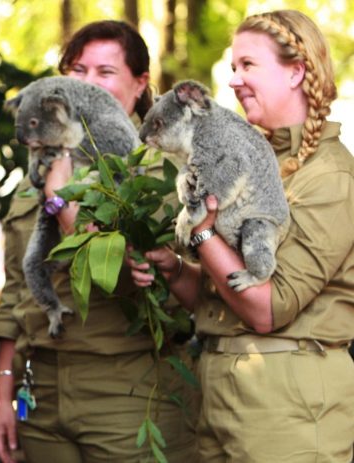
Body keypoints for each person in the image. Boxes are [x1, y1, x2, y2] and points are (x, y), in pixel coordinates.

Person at [129, 10, 354, 462]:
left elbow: (267, 307)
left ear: (296, 71)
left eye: (248, 65)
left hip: (286, 406)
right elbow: (222, 297)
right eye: (233, 67)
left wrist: (202, 230)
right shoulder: (240, 151)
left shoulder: (331, 176)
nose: (234, 80)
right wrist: (175, 271)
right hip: (216, 394)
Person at [0, 20, 196, 463]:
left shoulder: (164, 171)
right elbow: (15, 292)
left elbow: (143, 281)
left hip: (130, 392)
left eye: (105, 72)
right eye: (76, 70)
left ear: (140, 84)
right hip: (42, 392)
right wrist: (4, 392)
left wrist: (64, 206)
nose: (85, 85)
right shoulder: (42, 166)